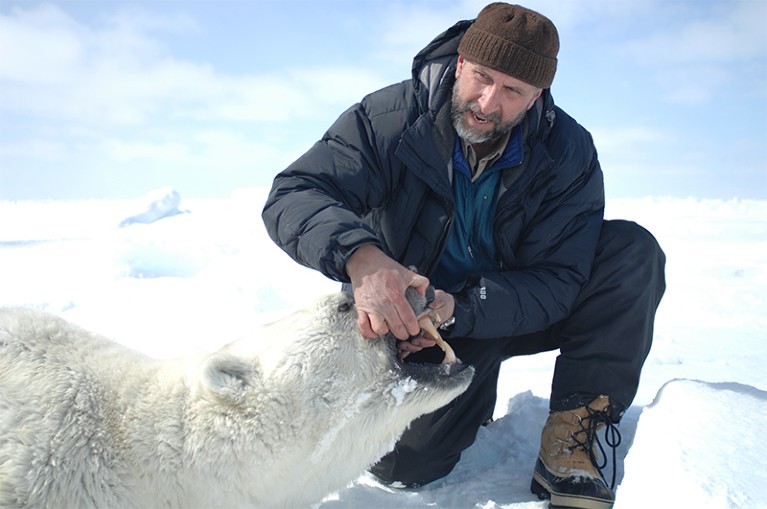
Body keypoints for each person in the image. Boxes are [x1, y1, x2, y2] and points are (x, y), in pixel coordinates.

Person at [262, 3, 666, 508]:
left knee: (630, 252)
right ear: (460, 64)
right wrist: (361, 258)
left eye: (512, 91)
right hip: (412, 323)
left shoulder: (567, 151)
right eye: (482, 77)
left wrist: (465, 307)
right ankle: (470, 395)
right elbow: (294, 193)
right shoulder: (389, 119)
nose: (488, 102)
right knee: (405, 467)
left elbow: (561, 278)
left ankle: (575, 433)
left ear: (537, 97)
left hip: (502, 309)